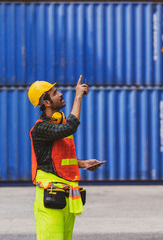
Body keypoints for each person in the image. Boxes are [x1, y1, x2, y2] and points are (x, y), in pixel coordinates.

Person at [28, 75, 103, 240]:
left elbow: (56, 159)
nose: (60, 94)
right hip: (51, 196)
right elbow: (71, 127)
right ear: (46, 103)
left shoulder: (57, 126)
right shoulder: (40, 128)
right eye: (55, 93)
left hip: (65, 195)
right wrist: (78, 96)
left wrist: (83, 163)